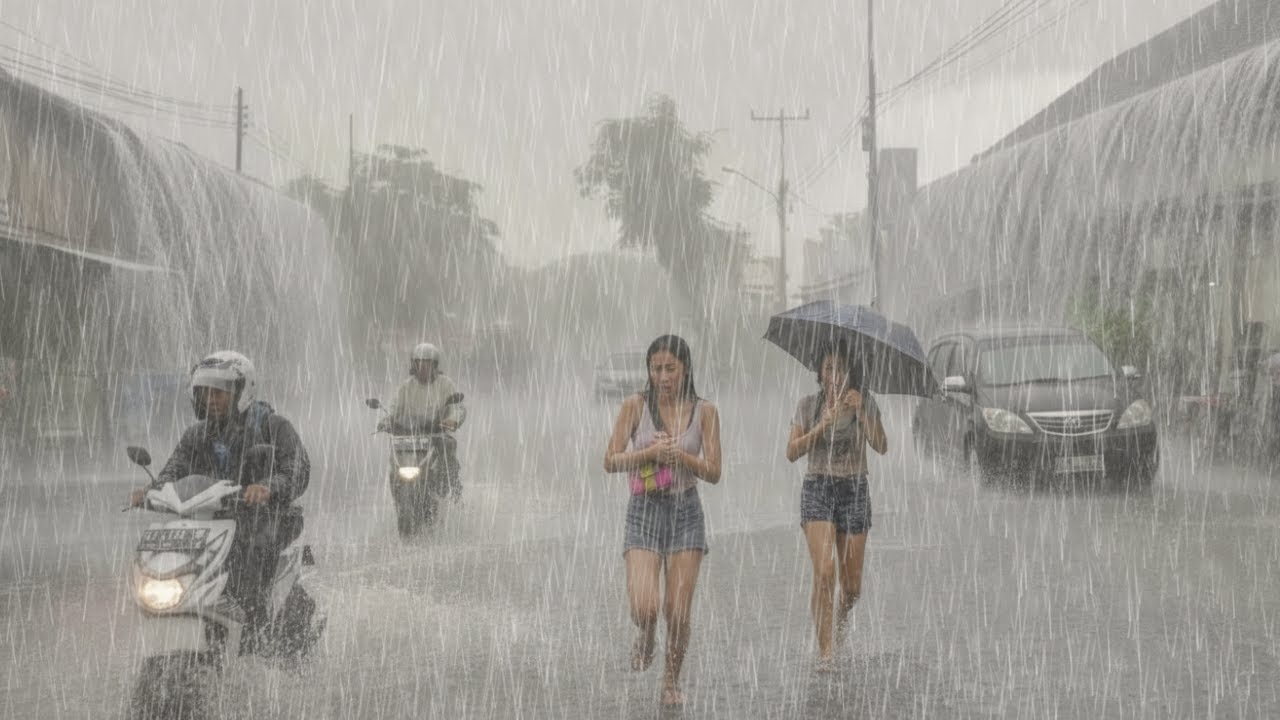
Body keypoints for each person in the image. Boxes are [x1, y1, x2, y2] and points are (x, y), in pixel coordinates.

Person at [129, 350, 311, 649]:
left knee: (250, 552)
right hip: (211, 520)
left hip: (267, 518)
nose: (210, 400)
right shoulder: (196, 436)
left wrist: (267, 487)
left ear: (242, 392)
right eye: (204, 393)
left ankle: (256, 631)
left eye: (219, 393)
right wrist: (151, 492)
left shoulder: (273, 427)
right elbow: (172, 471)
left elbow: (297, 470)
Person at [603, 334, 721, 707]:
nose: (664, 376)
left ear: (685, 369)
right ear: (649, 371)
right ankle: (647, 633)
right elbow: (610, 460)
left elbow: (715, 472)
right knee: (645, 607)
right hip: (644, 510)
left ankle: (671, 678)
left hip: (686, 511)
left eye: (671, 368)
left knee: (678, 610)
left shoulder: (705, 412)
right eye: (657, 368)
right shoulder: (635, 406)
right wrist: (650, 452)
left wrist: (681, 458)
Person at [785, 340, 887, 670]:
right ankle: (826, 652)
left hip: (855, 489)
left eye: (841, 369)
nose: (835, 375)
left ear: (850, 372)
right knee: (825, 572)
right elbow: (791, 452)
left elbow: (882, 446)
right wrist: (821, 425)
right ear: (820, 373)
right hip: (818, 488)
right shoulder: (808, 406)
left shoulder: (865, 401)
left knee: (852, 588)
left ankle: (839, 620)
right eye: (829, 368)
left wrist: (861, 412)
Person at [380, 342, 467, 498]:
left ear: (434, 365)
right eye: (418, 363)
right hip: (410, 435)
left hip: (436, 434)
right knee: (395, 458)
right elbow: (394, 407)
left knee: (448, 447)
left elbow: (458, 408)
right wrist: (387, 420)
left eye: (426, 364)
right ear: (413, 365)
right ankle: (397, 489)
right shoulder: (406, 387)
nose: (422, 368)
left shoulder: (445, 384)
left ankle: (449, 493)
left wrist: (452, 420)